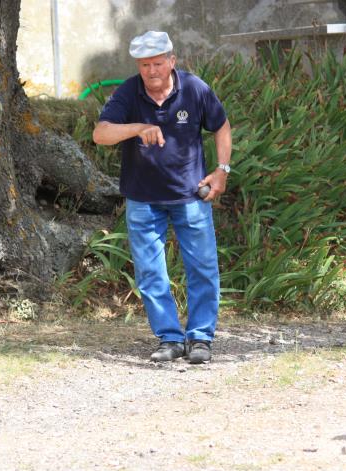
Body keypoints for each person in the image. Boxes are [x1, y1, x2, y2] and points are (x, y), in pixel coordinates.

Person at [92, 30, 232, 364]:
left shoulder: (195, 89)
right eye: (144, 65)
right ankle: (168, 338)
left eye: (158, 63)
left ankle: (200, 338)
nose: (152, 71)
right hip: (143, 199)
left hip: (191, 197)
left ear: (172, 61)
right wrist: (137, 128)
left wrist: (222, 170)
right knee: (150, 272)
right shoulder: (128, 92)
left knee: (202, 268)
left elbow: (222, 127)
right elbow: (101, 134)